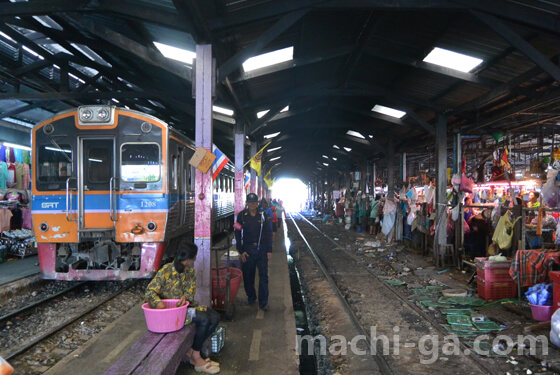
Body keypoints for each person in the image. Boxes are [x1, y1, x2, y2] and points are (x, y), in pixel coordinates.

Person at [146, 241, 221, 374]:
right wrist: (159, 304)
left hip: (186, 307)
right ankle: (196, 358)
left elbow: (191, 289)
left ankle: (193, 351)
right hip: (173, 314)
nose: (195, 260)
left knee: (215, 317)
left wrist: (186, 297)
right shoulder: (166, 271)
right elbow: (150, 291)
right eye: (194, 257)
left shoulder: (189, 270)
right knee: (204, 320)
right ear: (188, 260)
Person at [234, 193, 273, 311]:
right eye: (250, 202)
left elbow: (268, 233)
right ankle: (251, 297)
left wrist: (269, 250)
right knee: (248, 276)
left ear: (258, 204)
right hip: (247, 250)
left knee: (263, 276)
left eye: (255, 202)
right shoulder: (241, 216)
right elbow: (237, 234)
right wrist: (241, 251)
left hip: (261, 250)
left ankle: (263, 302)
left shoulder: (263, 215)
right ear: (246, 203)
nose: (252, 204)